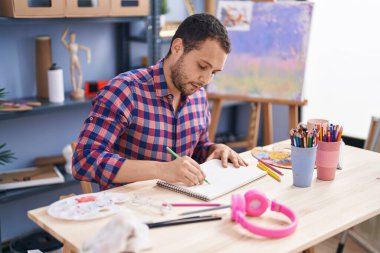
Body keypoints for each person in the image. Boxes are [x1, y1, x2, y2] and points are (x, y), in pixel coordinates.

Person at [72, 13, 248, 191]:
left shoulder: (198, 95)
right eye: (202, 66)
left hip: (178, 205)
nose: (206, 79)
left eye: (214, 72)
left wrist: (214, 150)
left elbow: (197, 148)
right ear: (177, 47)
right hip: (128, 211)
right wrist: (161, 170)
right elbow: (84, 160)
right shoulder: (125, 90)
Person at [61, 27, 91, 100]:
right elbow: (62, 39)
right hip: (72, 58)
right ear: (70, 37)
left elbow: (87, 49)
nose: (72, 38)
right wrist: (66, 31)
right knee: (73, 75)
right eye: (71, 37)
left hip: (76, 58)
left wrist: (88, 58)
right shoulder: (69, 45)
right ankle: (75, 89)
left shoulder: (76, 45)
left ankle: (78, 88)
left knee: (80, 73)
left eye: (74, 37)